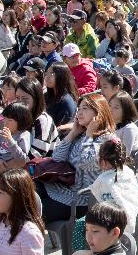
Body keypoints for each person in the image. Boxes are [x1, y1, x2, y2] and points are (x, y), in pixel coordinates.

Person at [38, 92, 114, 226]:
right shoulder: (80, 134)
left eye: (85, 108)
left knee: (32, 211)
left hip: (81, 200)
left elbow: (86, 163)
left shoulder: (106, 140)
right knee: (24, 191)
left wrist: (89, 136)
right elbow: (57, 158)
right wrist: (72, 133)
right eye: (79, 109)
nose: (79, 112)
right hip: (64, 188)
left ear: (99, 112)